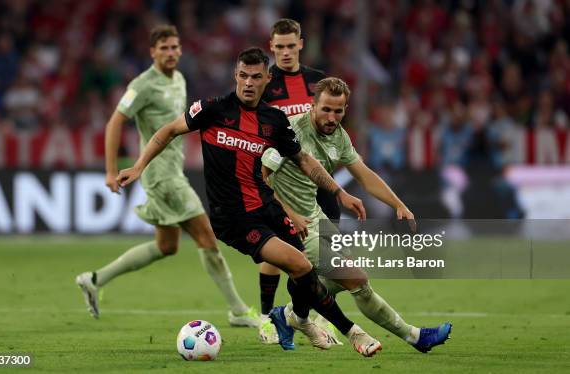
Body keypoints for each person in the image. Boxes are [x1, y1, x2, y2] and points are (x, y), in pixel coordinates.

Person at [116, 47, 383, 357]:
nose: (248, 82)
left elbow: (303, 161)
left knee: (303, 268)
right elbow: (168, 131)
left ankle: (293, 319)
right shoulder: (213, 109)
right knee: (300, 264)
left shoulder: (273, 120)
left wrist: (338, 192)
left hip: (267, 205)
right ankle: (352, 332)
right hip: (233, 218)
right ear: (235, 76)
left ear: (267, 79)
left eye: (256, 77)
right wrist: (138, 166)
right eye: (243, 75)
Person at [75, 25, 259, 328]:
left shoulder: (179, 80)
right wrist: (110, 170)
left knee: (167, 245)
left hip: (173, 171)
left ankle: (94, 279)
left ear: (180, 50)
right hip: (161, 176)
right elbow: (114, 122)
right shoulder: (143, 84)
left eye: (174, 47)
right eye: (164, 48)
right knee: (206, 236)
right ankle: (238, 309)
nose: (170, 53)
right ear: (152, 52)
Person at [261, 77, 452, 353]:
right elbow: (262, 179)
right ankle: (415, 337)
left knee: (334, 281)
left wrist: (397, 204)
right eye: (325, 109)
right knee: (357, 280)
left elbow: (363, 174)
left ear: (345, 109)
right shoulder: (290, 131)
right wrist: (289, 213)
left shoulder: (338, 136)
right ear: (313, 105)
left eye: (338, 111)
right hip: (291, 225)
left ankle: (290, 316)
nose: (331, 117)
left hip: (316, 218)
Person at [258, 19, 340, 341]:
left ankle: (309, 316)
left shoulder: (318, 81)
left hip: (318, 177)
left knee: (326, 249)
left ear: (301, 44)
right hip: (285, 182)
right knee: (277, 251)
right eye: (279, 47)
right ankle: (266, 318)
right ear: (271, 47)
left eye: (291, 45)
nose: (286, 52)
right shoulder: (264, 83)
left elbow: (331, 121)